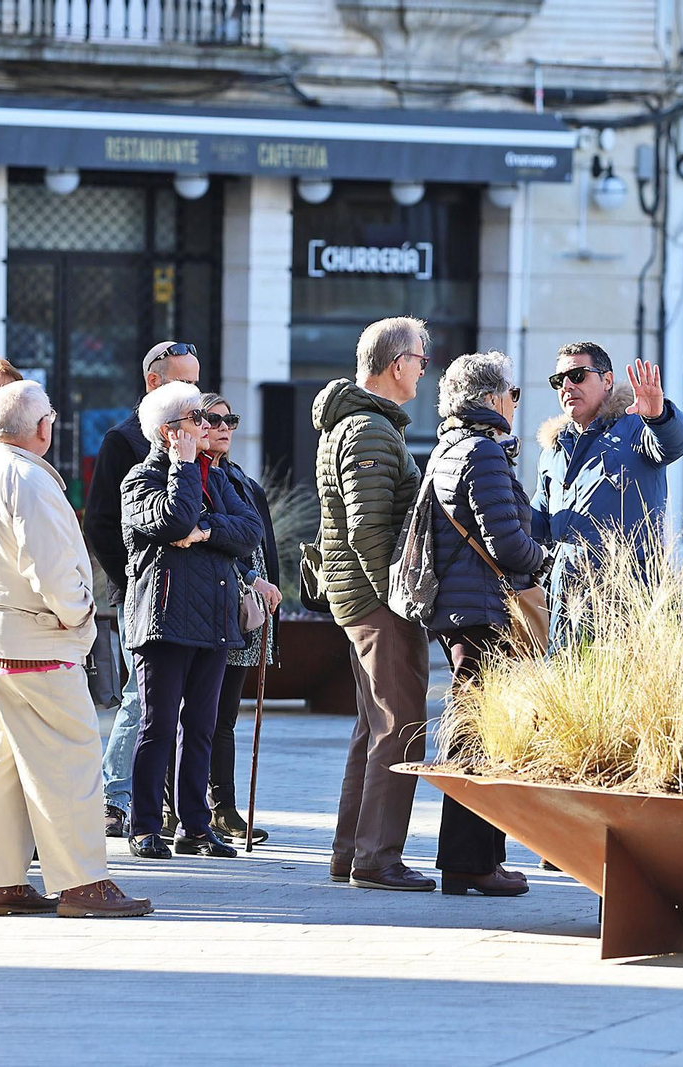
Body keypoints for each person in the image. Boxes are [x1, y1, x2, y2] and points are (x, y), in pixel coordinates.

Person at [0, 380, 151, 917]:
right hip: (38, 640)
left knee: (1, 767)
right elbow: (51, 566)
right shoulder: (28, 479)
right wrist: (79, 613)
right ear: (42, 427)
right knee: (69, 762)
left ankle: (1, 883)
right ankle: (83, 884)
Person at [311, 316, 434, 891]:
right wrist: (399, 599)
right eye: (420, 361)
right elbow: (367, 529)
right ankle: (377, 858)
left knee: (376, 725)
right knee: (400, 727)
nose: (423, 372)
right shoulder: (368, 429)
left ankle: (351, 851)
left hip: (359, 595)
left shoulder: (360, 424)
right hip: (376, 600)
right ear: (396, 364)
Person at [417, 352, 545, 897]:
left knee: (472, 730)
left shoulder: (448, 447)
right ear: (492, 398)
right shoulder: (484, 452)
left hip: (461, 611)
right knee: (482, 735)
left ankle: (471, 861)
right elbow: (508, 543)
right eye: (513, 394)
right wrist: (545, 557)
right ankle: (472, 863)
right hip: (484, 612)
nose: (516, 403)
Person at [121, 382, 263, 861]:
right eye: (196, 419)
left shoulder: (214, 477)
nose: (206, 426)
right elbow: (173, 520)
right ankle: (145, 825)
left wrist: (205, 531)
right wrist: (182, 468)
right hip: (164, 621)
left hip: (215, 620)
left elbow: (249, 532)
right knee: (158, 726)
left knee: (201, 728)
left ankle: (196, 828)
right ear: (169, 431)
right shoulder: (141, 479)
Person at [83, 340, 202, 838]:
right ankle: (114, 797)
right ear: (154, 382)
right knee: (141, 698)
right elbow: (101, 523)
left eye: (196, 383)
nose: (194, 395)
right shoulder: (125, 440)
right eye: (183, 382)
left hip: (195, 595)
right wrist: (133, 576)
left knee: (182, 705)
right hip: (146, 591)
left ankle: (178, 806)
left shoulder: (197, 435)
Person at [531, 341, 683, 646]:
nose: (567, 386)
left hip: (626, 598)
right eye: (559, 380)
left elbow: (676, 443)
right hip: (565, 601)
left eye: (578, 375)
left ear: (607, 380)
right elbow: (541, 523)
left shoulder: (634, 427)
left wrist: (659, 417)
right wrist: (504, 499)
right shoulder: (554, 449)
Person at [196, 391, 283, 845]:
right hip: (208, 610)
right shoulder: (194, 479)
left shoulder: (244, 483)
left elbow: (261, 546)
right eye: (213, 420)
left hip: (246, 614)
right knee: (192, 716)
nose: (224, 428)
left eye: (230, 420)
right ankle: (178, 809)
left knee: (225, 715)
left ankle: (223, 808)